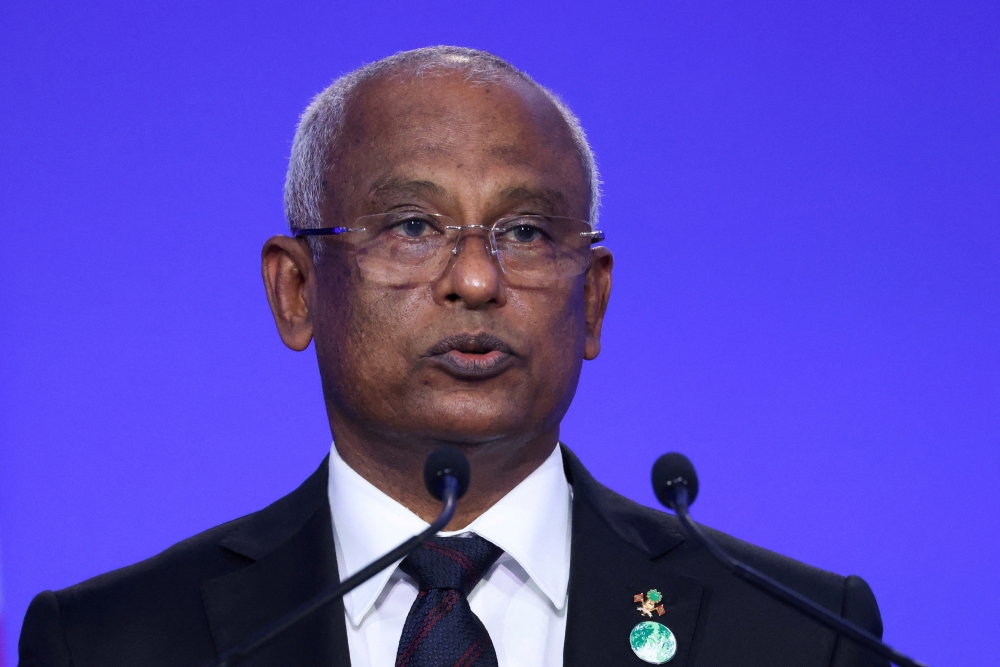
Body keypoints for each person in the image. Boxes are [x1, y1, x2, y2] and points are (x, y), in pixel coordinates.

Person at [18, 46, 887, 667]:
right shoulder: (109, 642)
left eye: (526, 232)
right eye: (412, 226)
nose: (475, 279)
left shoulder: (803, 637)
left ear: (591, 300)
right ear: (296, 290)